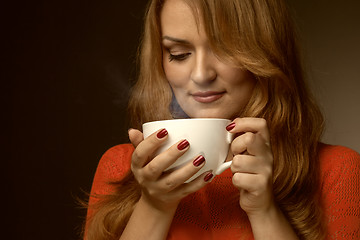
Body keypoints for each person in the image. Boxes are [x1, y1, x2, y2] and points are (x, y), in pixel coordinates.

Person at [83, 0, 360, 239]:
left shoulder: (336, 171)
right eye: (179, 55)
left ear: (266, 51)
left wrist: (264, 212)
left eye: (224, 49)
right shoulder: (119, 168)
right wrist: (154, 206)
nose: (202, 74)